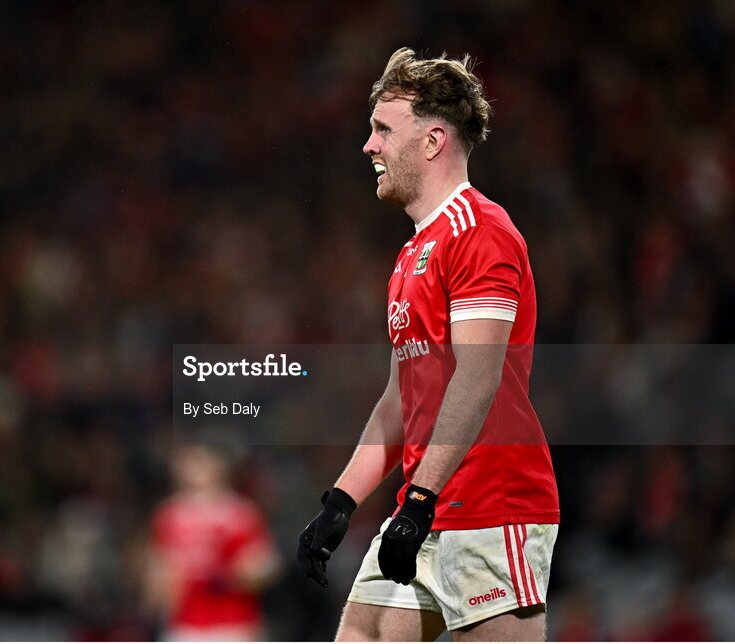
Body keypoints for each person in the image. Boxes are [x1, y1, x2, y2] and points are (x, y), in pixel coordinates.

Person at [296, 48, 560, 641]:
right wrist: (342, 500)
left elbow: (478, 377)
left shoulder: (481, 233)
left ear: (434, 140)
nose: (369, 146)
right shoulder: (413, 253)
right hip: (427, 505)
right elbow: (400, 396)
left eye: (383, 129)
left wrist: (419, 498)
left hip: (493, 506)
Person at [148, 444, 280, 641]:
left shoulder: (239, 513)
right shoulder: (170, 515)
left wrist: (246, 573)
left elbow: (265, 563)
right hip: (185, 624)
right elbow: (160, 568)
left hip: (233, 623)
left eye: (201, 462)